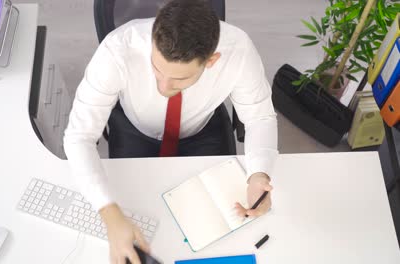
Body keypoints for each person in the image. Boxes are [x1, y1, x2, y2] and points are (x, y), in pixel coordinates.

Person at [64, 0, 278, 263]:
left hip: (202, 130)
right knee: (136, 209)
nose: (163, 86)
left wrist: (259, 174)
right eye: (156, 68)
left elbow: (260, 117)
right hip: (134, 129)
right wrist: (109, 213)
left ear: (211, 60)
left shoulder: (239, 50)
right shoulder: (118, 49)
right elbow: (78, 136)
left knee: (223, 224)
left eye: (180, 78)